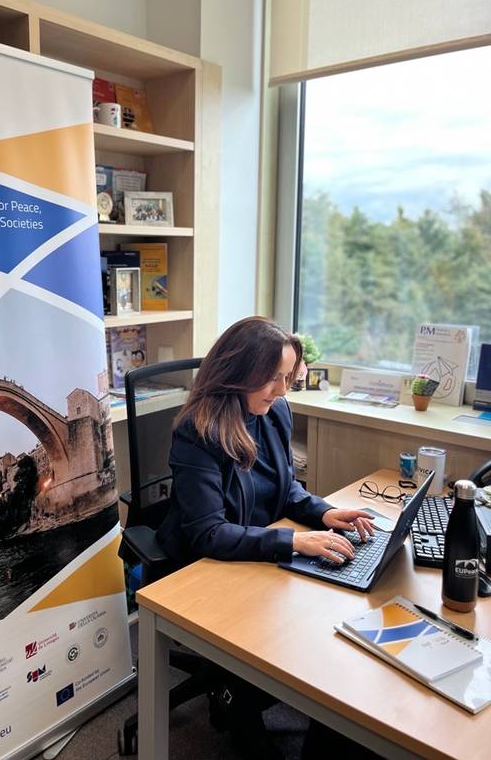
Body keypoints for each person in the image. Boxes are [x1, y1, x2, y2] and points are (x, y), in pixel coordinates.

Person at [156, 316, 376, 759]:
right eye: (273, 378)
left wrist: (327, 513)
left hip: (259, 552)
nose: (281, 390)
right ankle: (240, 704)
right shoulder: (197, 432)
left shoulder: (274, 412)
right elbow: (208, 533)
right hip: (206, 566)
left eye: (287, 378)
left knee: (332, 617)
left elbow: (287, 489)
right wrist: (295, 543)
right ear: (239, 371)